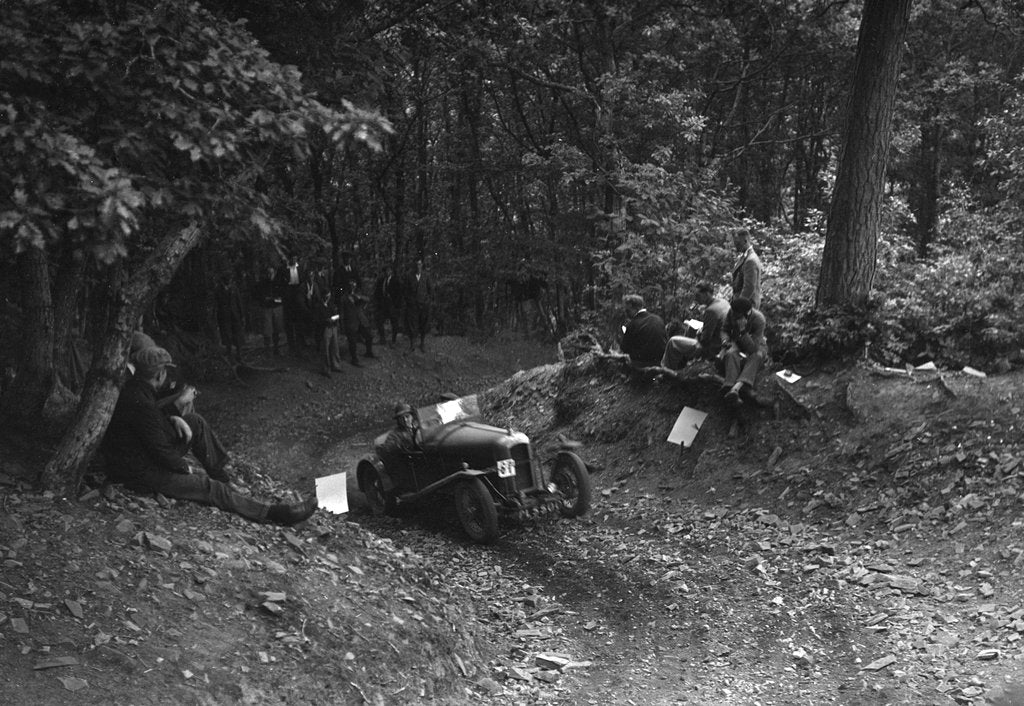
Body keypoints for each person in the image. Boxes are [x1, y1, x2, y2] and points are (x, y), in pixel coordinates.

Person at [102, 347, 317, 525]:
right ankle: (272, 513)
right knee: (210, 488)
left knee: (195, 422)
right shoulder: (141, 404)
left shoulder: (135, 392)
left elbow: (148, 428)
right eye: (166, 373)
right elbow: (160, 451)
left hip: (141, 458)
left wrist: (172, 417)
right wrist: (186, 468)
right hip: (143, 472)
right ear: (159, 375)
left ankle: (221, 474)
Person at [660, 282, 730, 373]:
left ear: (707, 294)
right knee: (689, 330)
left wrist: (699, 333)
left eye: (698, 295)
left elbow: (705, 340)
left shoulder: (711, 310)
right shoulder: (723, 302)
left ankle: (666, 371)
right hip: (722, 342)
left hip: (712, 348)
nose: (696, 298)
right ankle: (680, 368)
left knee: (673, 342)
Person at [721, 297, 769, 406]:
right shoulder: (732, 312)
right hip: (737, 341)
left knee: (757, 356)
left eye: (737, 315)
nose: (734, 316)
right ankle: (729, 386)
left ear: (746, 314)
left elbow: (753, 348)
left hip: (756, 345)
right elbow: (724, 329)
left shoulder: (759, 319)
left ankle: (736, 388)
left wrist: (743, 331)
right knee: (730, 353)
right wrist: (725, 341)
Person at [618, 294, 667, 367]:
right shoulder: (658, 319)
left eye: (627, 310)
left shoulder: (633, 324)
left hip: (641, 362)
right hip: (660, 361)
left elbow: (624, 348)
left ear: (632, 306)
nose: (626, 313)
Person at [312, 271, 343, 377]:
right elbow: (317, 319)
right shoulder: (319, 306)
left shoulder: (330, 304)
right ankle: (326, 369)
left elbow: (336, 313)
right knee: (325, 349)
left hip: (333, 327)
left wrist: (335, 318)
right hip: (325, 329)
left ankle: (336, 365)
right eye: (326, 296)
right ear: (323, 296)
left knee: (335, 348)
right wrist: (326, 320)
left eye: (329, 296)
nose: (327, 297)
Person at [278, 254, 306, 355]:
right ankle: (291, 346)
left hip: (298, 299)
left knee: (299, 322)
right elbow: (279, 284)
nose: (293, 260)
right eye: (291, 258)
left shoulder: (301, 268)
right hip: (288, 300)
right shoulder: (283, 270)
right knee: (289, 323)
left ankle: (300, 345)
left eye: (295, 258)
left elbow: (303, 281)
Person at [404, 258, 432, 352]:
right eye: (416, 265)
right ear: (414, 266)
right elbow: (406, 291)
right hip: (413, 305)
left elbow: (430, 290)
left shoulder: (426, 275)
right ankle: (412, 344)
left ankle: (422, 344)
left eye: (419, 264)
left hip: (424, 304)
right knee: (412, 324)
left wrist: (427, 301)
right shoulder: (409, 276)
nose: (418, 267)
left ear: (422, 265)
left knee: (423, 324)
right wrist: (410, 301)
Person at [255, 266, 285, 356]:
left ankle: (276, 348)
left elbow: (282, 294)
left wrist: (279, 299)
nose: (270, 275)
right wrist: (264, 299)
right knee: (267, 330)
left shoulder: (278, 282)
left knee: (277, 329)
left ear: (274, 273)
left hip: (277, 308)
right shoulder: (262, 284)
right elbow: (258, 296)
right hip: (266, 308)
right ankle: (268, 350)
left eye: (271, 273)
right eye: (268, 273)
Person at [731, 229, 763, 309]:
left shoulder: (750, 260)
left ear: (745, 241)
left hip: (747, 306)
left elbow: (749, 287)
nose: (735, 246)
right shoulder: (745, 257)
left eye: (737, 243)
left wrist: (738, 307)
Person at [372, 265, 403, 346]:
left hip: (392, 306)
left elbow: (399, 294)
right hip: (383, 306)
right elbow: (377, 292)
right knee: (379, 321)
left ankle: (393, 340)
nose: (387, 272)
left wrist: (396, 304)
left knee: (394, 323)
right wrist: (378, 302)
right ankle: (382, 339)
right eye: (385, 271)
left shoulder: (395, 281)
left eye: (389, 270)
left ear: (391, 271)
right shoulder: (381, 280)